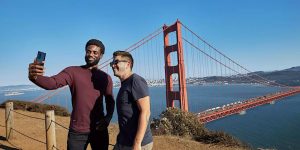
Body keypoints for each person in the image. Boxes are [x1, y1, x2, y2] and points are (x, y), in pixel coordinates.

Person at [28, 39, 115, 150]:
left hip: (99, 129)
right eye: (88, 51)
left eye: (95, 52)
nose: (90, 55)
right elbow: (52, 83)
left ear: (101, 55)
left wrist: (108, 118)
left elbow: (110, 100)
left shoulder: (106, 78)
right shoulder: (72, 71)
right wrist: (34, 77)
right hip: (77, 131)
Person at [110, 51, 153, 150]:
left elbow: (146, 112)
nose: (113, 65)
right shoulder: (125, 83)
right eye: (112, 63)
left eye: (116, 62)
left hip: (136, 144)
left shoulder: (136, 81)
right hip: (124, 141)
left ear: (128, 64)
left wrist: (137, 144)